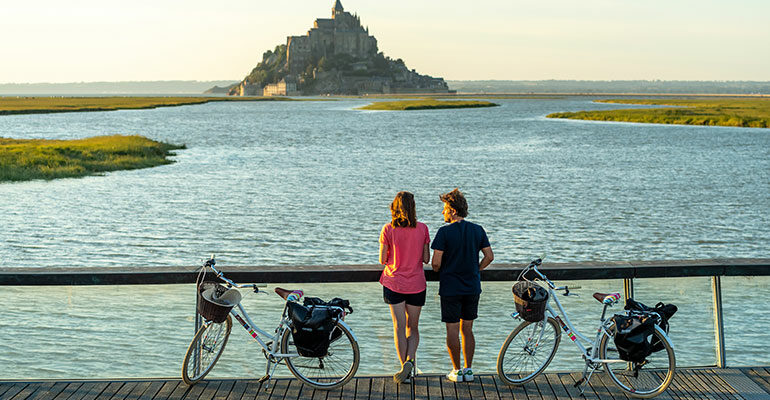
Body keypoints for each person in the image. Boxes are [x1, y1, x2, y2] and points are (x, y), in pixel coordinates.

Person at [430, 188, 494, 383]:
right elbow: (489, 257)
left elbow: (436, 263)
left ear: (453, 211)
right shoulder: (477, 229)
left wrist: (439, 270)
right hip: (472, 286)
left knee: (452, 329)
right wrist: (476, 269)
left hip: (451, 288)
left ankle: (456, 370)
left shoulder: (444, 232)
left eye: (444, 209)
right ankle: (469, 370)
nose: (443, 213)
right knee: (467, 329)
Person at [379, 191, 430, 383]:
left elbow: (382, 259)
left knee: (399, 327)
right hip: (416, 284)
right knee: (413, 328)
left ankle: (404, 369)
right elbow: (425, 259)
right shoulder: (423, 228)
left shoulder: (388, 229)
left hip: (394, 283)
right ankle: (411, 362)